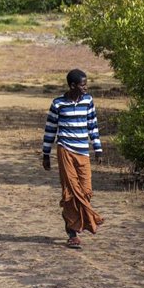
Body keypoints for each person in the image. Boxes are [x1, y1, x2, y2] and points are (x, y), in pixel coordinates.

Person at [42, 68, 104, 249]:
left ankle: (86, 217)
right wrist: (46, 154)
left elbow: (93, 125)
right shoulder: (58, 104)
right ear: (72, 86)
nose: (86, 88)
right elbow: (50, 130)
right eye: (83, 85)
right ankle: (72, 232)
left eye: (86, 84)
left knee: (85, 190)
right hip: (65, 151)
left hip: (83, 152)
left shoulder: (88, 101)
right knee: (70, 192)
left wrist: (98, 149)